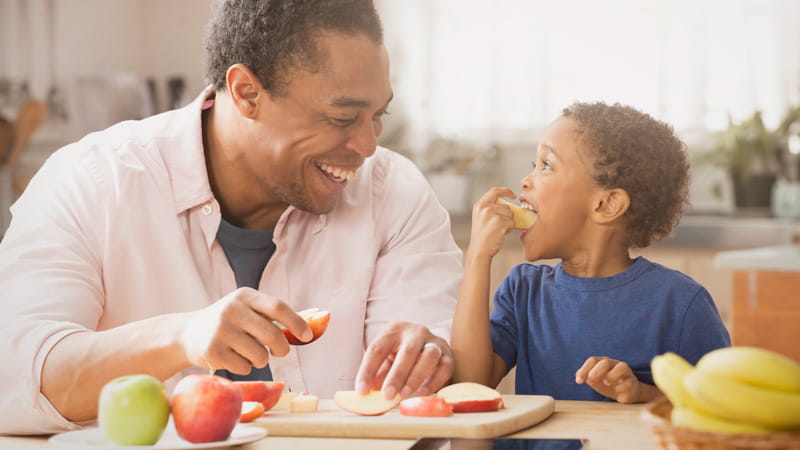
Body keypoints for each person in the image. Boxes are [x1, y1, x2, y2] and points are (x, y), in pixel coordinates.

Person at [0, 0, 462, 434]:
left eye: (377, 115)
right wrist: (180, 337)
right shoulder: (93, 182)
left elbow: (425, 384)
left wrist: (428, 355)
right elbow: (15, 380)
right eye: (343, 118)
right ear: (246, 92)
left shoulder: (394, 194)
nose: (367, 146)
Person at [451, 102, 730, 403]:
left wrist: (642, 393)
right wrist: (477, 258)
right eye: (534, 165)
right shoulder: (524, 291)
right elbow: (469, 385)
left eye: (546, 165)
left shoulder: (680, 303)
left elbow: (720, 405)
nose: (525, 180)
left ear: (606, 205)